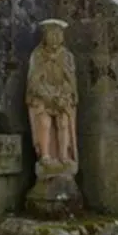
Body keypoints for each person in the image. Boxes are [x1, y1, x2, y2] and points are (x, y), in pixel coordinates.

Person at [26, 19, 78, 168]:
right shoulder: (37, 55)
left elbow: (71, 80)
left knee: (63, 122)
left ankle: (63, 155)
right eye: (51, 34)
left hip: (62, 96)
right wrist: (47, 95)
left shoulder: (67, 56)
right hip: (43, 96)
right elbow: (33, 82)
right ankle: (45, 155)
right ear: (45, 36)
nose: (55, 38)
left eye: (58, 34)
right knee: (44, 122)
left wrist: (63, 96)